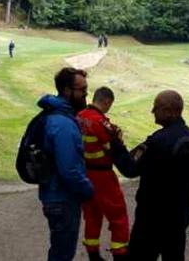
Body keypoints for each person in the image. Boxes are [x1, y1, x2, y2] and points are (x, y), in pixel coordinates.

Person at [111, 90, 189, 261]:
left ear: (169, 110)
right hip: (178, 220)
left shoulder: (158, 141)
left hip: (151, 220)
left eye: (156, 107)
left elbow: (129, 168)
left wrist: (115, 144)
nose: (152, 111)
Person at [37, 67, 95, 261]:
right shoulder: (62, 123)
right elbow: (69, 170)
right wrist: (88, 190)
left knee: (59, 252)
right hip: (62, 198)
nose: (86, 93)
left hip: (55, 196)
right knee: (62, 255)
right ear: (67, 90)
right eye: (82, 89)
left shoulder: (59, 116)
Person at [77, 87, 129, 261]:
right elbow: (112, 149)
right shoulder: (100, 122)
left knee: (92, 216)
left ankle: (93, 255)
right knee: (118, 216)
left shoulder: (80, 116)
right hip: (103, 176)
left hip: (85, 174)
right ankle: (120, 254)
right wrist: (118, 138)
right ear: (106, 102)